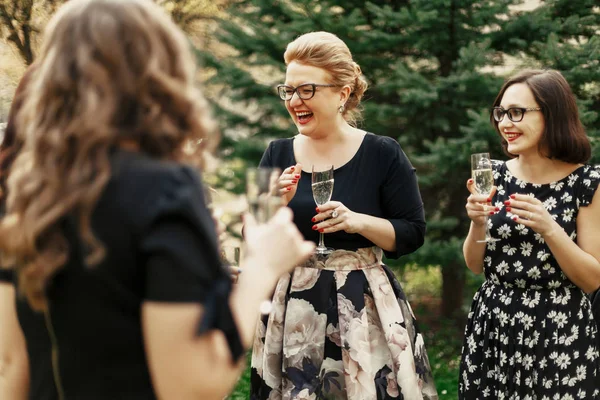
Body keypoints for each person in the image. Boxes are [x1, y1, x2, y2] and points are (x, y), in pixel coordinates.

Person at [0, 1, 315, 399]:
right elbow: (191, 387)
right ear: (159, 71)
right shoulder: (164, 190)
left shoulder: (27, 193)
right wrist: (261, 268)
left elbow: (12, 367)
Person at [250, 31, 438, 399]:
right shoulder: (275, 153)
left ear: (343, 92)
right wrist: (275, 206)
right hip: (292, 311)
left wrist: (358, 222)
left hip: (363, 308)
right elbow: (255, 239)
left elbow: (413, 233)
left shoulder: (384, 153)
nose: (294, 101)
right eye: (288, 90)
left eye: (306, 90)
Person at [460, 69, 600, 398]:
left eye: (517, 112)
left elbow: (593, 279)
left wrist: (549, 227)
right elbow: (475, 265)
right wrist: (477, 222)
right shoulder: (491, 173)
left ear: (552, 114)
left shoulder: (586, 183)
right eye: (501, 113)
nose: (505, 123)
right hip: (494, 324)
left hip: (559, 328)